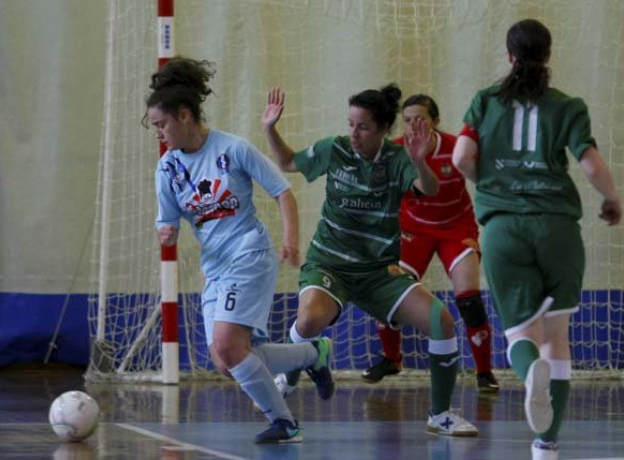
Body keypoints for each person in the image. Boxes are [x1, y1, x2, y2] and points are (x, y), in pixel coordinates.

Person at [262, 83, 479, 437]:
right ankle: (290, 374)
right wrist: (270, 128)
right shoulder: (336, 150)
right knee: (309, 319)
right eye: (350, 124)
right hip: (330, 264)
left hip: (378, 272)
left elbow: (431, 189)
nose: (354, 133)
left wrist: (420, 161)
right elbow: (286, 162)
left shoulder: (397, 161)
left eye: (362, 127)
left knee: (441, 321)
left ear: (381, 130)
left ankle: (439, 415)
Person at [453, 19, 622, 460]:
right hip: (557, 229)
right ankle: (546, 445)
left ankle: (531, 376)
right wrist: (612, 199)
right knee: (557, 337)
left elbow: (461, 157)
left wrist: (486, 182)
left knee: (521, 336)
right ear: (549, 57)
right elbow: (589, 164)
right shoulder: (567, 106)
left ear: (509, 57)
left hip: (504, 229)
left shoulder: (485, 102)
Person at [149, 57, 334, 444]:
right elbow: (166, 221)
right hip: (215, 265)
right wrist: (166, 233)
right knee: (225, 357)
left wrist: (290, 241)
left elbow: (283, 191)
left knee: (229, 346)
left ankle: (285, 423)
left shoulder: (232, 149)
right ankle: (311, 354)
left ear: (184, 115)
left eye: (162, 124)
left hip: (249, 254)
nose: (160, 134)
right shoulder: (167, 169)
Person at [361, 94, 499, 393]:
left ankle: (484, 373)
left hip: (455, 227)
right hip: (414, 231)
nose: (413, 126)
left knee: (470, 301)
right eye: (408, 120)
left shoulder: (455, 148)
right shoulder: (394, 151)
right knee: (388, 293)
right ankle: (392, 358)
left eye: (421, 119)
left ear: (435, 121)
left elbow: (486, 180)